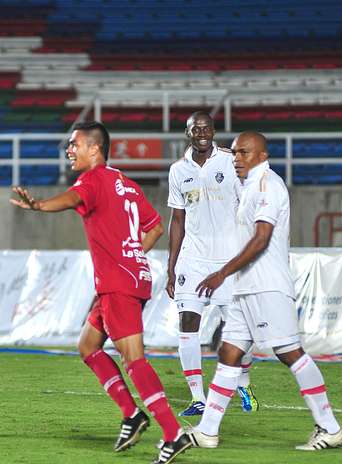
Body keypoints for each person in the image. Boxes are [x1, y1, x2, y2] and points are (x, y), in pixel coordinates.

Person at [10, 121, 192, 464]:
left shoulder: (91, 180)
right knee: (88, 345)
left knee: (134, 359)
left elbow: (72, 198)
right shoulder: (124, 182)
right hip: (127, 278)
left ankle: (173, 433)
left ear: (95, 149)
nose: (69, 150)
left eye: (74, 144)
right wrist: (132, 253)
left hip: (117, 285)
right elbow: (154, 226)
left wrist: (39, 206)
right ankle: (132, 414)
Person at [189, 131, 342, 451]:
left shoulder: (267, 185)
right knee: (229, 352)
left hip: (267, 286)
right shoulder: (248, 186)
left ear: (262, 155)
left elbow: (261, 239)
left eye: (243, 153)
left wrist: (221, 273)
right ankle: (208, 430)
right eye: (234, 153)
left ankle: (330, 427)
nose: (236, 159)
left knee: (289, 352)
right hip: (246, 288)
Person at [167, 111, 258, 416]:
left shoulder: (230, 161)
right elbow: (177, 219)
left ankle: (243, 382)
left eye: (206, 128)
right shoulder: (178, 170)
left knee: (236, 330)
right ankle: (197, 398)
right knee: (188, 323)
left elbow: (248, 207)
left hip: (228, 260)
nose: (202, 133)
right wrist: (172, 266)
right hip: (192, 260)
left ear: (214, 131)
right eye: (196, 129)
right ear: (188, 133)